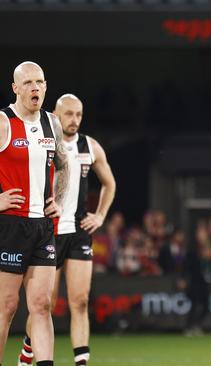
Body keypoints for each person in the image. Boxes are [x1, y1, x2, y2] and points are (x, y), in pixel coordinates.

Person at [18, 94, 116, 366]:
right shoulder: (46, 142)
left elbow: (110, 183)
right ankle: (28, 351)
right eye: (69, 114)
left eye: (79, 115)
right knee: (44, 304)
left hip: (79, 231)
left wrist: (100, 216)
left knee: (80, 301)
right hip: (48, 231)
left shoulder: (90, 146)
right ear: (56, 114)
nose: (74, 120)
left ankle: (81, 362)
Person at [0, 61, 69, 366]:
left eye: (39, 82)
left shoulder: (52, 123)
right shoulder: (3, 122)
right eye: (28, 83)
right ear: (15, 88)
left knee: (41, 305)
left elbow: (64, 166)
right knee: (7, 306)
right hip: (10, 226)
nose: (35, 88)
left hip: (43, 226)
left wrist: (60, 200)